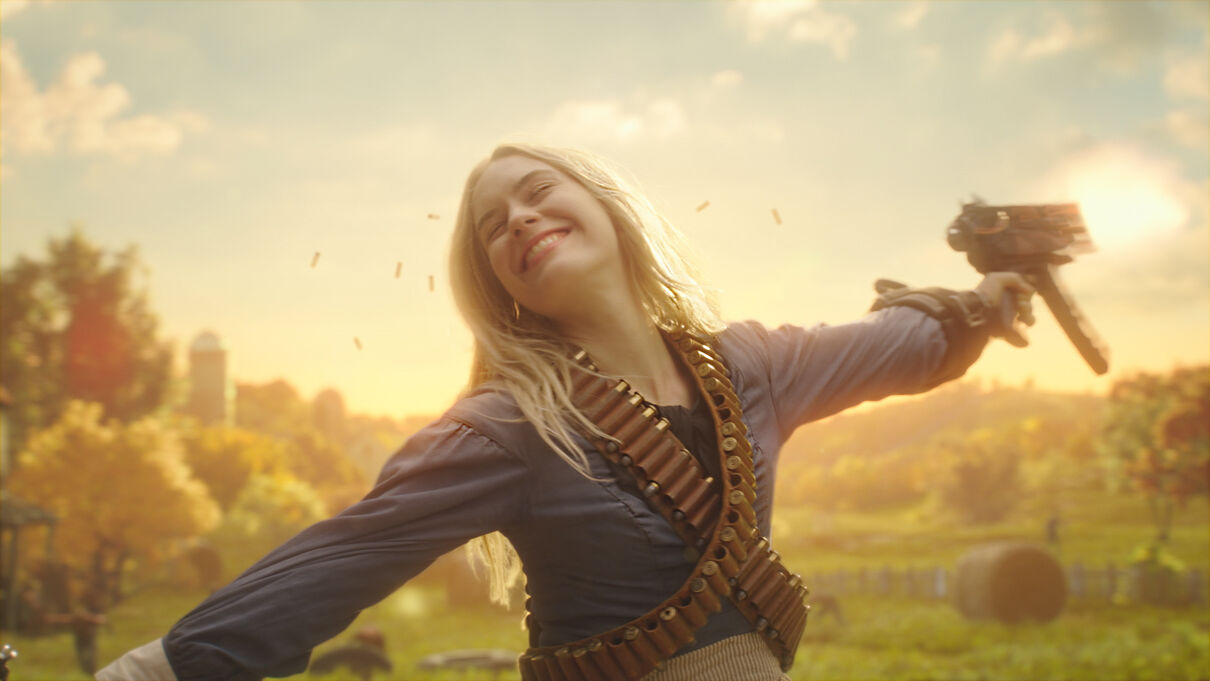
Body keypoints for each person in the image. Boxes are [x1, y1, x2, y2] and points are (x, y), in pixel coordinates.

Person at [96, 143, 1034, 681]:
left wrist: (979, 304)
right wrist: (158, 671)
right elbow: (339, 559)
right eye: (493, 227)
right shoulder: (508, 427)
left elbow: (892, 346)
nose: (518, 220)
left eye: (537, 190)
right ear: (497, 281)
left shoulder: (749, 365)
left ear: (606, 206)